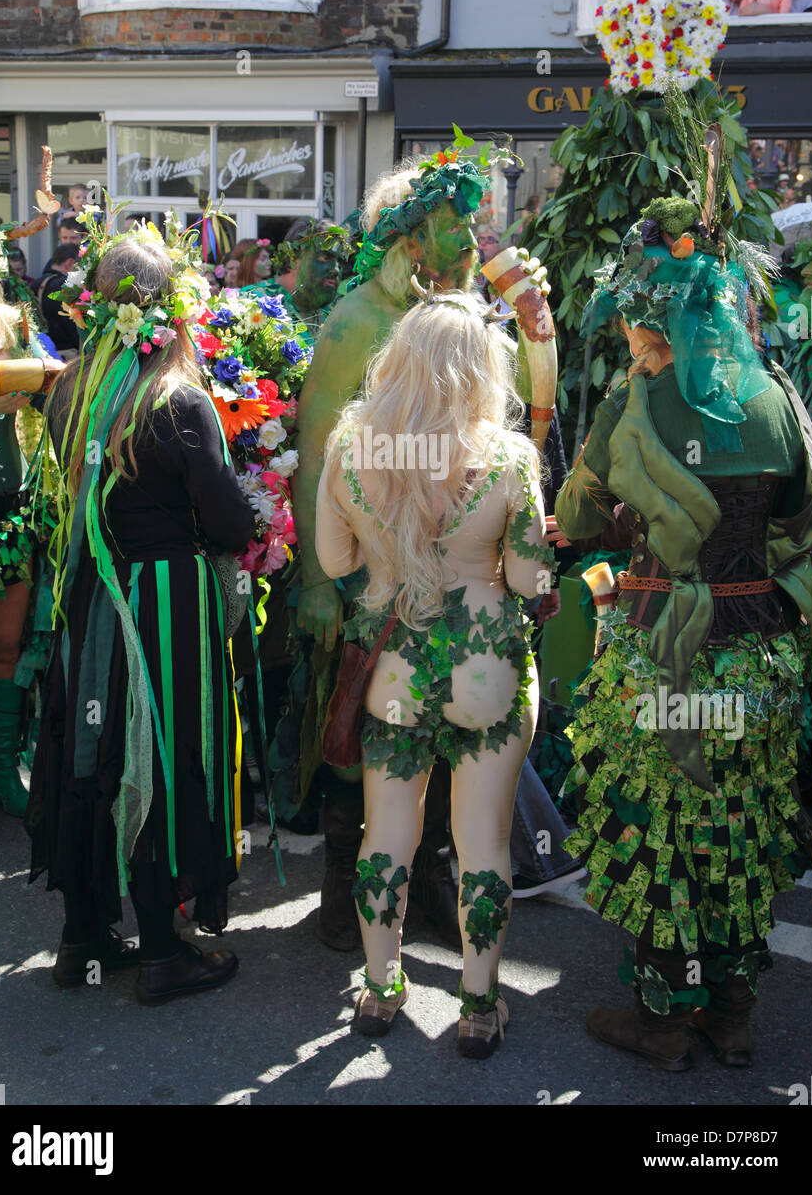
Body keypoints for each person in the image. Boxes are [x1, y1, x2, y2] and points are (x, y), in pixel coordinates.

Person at [551, 193, 812, 1072]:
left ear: (648, 318)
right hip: (760, 652)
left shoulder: (638, 403)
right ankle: (734, 1016)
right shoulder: (777, 398)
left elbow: (576, 513)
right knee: (739, 824)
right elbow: (801, 517)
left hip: (666, 646)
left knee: (662, 822)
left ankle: (666, 1015)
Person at [25, 217, 257, 1003]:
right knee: (163, 750)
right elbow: (226, 523)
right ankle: (161, 950)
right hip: (163, 605)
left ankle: (82, 940)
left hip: (91, 595)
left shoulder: (71, 395)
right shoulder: (178, 401)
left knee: (90, 747)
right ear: (172, 308)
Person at [316, 287, 551, 1056]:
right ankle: (478, 1008)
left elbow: (332, 560)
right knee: (482, 842)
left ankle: (380, 991)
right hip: (484, 667)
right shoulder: (510, 455)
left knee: (384, 835)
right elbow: (525, 581)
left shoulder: (353, 444)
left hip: (392, 668)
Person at [285, 155, 498, 954]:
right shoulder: (356, 322)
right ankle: (343, 896)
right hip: (365, 574)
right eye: (459, 225)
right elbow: (313, 456)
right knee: (358, 730)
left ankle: (428, 887)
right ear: (412, 241)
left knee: (435, 727)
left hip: (442, 579)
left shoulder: (446, 313)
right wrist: (314, 580)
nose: (474, 240)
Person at [0, 186, 62, 831]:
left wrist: (48, 377)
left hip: (12, 509)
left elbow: (51, 383)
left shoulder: (18, 327)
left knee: (1, 646)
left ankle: (3, 770)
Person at [38, 243, 82, 356]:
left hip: (41, 356)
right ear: (69, 264)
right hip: (67, 357)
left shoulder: (35, 284)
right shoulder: (66, 287)